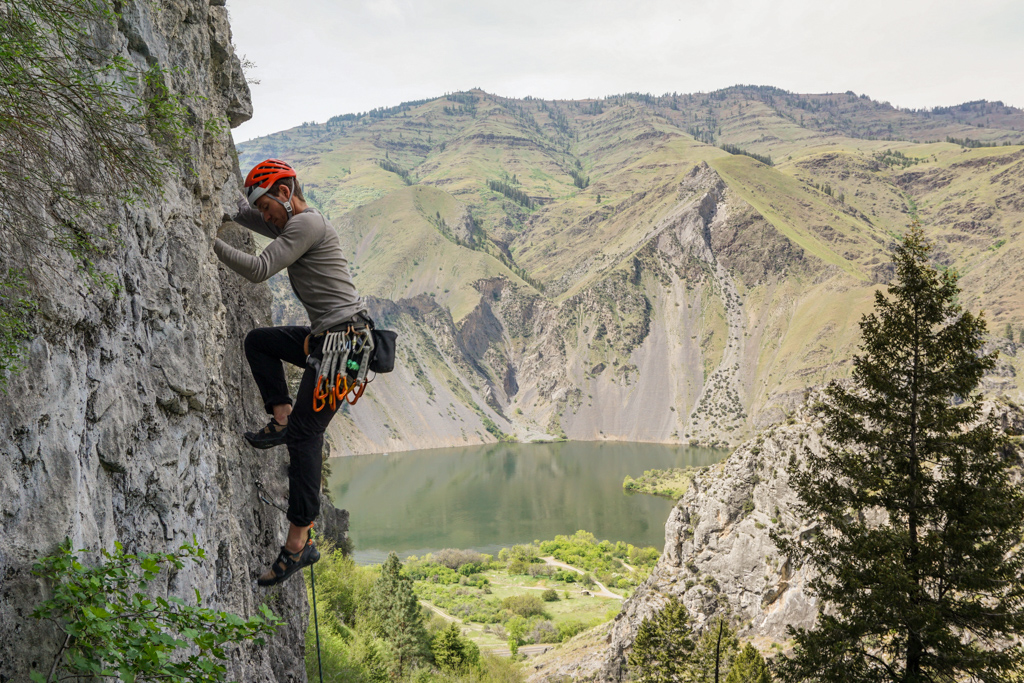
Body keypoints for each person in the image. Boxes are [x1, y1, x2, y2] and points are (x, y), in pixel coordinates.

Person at [214, 158, 368, 586]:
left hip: (344, 346)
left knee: (306, 433)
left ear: (284, 193)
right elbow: (249, 217)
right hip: (327, 339)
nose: (265, 217)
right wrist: (222, 210)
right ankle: (279, 419)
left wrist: (207, 241)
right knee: (259, 342)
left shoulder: (306, 225)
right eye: (262, 211)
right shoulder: (291, 222)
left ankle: (297, 545)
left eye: (267, 207)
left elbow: (260, 270)